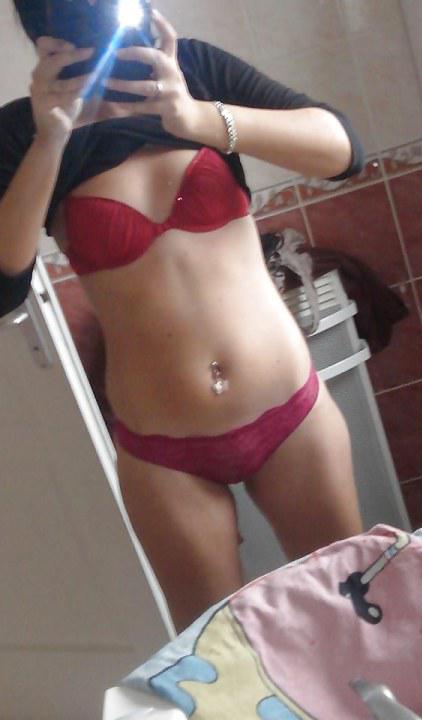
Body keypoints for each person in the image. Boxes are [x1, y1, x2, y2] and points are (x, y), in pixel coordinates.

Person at [1, 0, 365, 631]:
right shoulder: (22, 131)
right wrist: (50, 139)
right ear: (40, 27)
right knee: (218, 657)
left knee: (358, 615)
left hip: (290, 415)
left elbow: (343, 150)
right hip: (164, 456)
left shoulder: (190, 69)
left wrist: (197, 117)